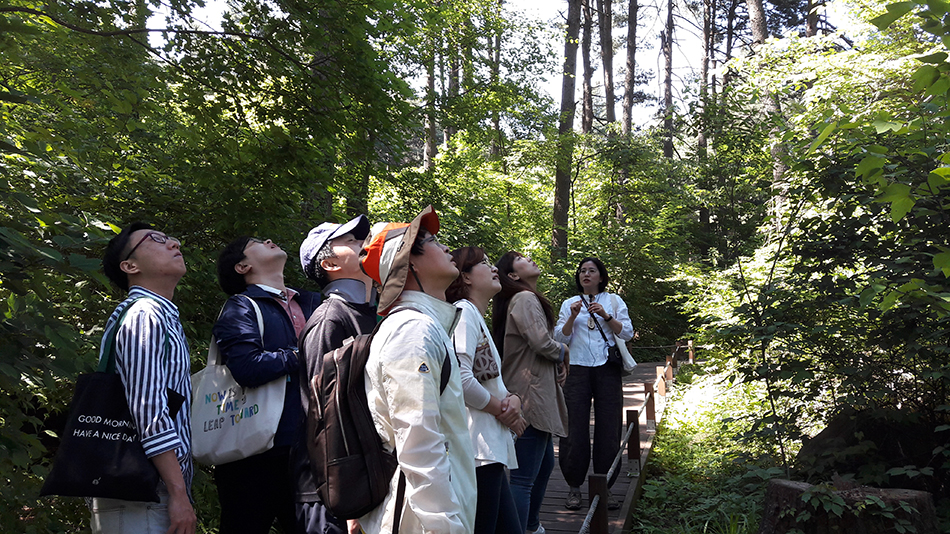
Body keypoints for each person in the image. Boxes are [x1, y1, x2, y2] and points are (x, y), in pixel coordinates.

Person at [358, 205, 477, 534]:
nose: (446, 248)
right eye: (433, 242)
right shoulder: (412, 330)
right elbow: (417, 439)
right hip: (419, 520)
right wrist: (444, 526)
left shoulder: (426, 326)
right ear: (409, 260)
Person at [212, 236, 321, 534]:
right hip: (254, 454)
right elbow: (247, 367)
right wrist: (305, 354)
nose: (270, 240)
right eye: (257, 242)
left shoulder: (314, 302)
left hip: (311, 448)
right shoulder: (241, 307)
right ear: (243, 266)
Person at [93, 222, 196, 534]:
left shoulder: (161, 316)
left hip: (147, 489)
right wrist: (179, 493)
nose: (174, 243)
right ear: (130, 266)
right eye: (157, 240)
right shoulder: (144, 315)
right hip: (141, 494)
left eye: (171, 237)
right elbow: (148, 410)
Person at [293, 214, 376, 534]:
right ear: (329, 264)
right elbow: (325, 414)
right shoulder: (329, 320)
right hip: (333, 489)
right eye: (352, 242)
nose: (363, 243)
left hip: (368, 479)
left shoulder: (373, 313)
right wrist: (348, 498)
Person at [446, 247, 526, 534]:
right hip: (476, 449)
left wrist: (513, 398)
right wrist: (505, 412)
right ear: (465, 277)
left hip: (486, 448)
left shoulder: (474, 316)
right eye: (484, 263)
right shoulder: (464, 313)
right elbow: (461, 379)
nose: (494, 268)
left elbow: (487, 379)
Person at [492, 251, 569, 534]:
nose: (531, 259)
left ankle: (532, 525)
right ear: (513, 275)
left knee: (545, 464)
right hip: (529, 395)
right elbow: (541, 342)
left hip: (532, 391)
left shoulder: (519, 299)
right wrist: (563, 351)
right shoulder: (524, 298)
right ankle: (523, 529)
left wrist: (558, 357)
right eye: (522, 258)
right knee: (523, 478)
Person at [554, 257, 635, 511]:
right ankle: (574, 488)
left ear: (601, 276)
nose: (585, 274)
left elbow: (627, 332)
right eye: (582, 271)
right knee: (573, 428)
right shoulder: (569, 303)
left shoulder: (613, 301)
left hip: (606, 369)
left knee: (609, 429)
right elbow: (558, 337)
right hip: (576, 369)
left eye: (591, 271)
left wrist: (607, 316)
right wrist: (572, 316)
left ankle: (605, 487)